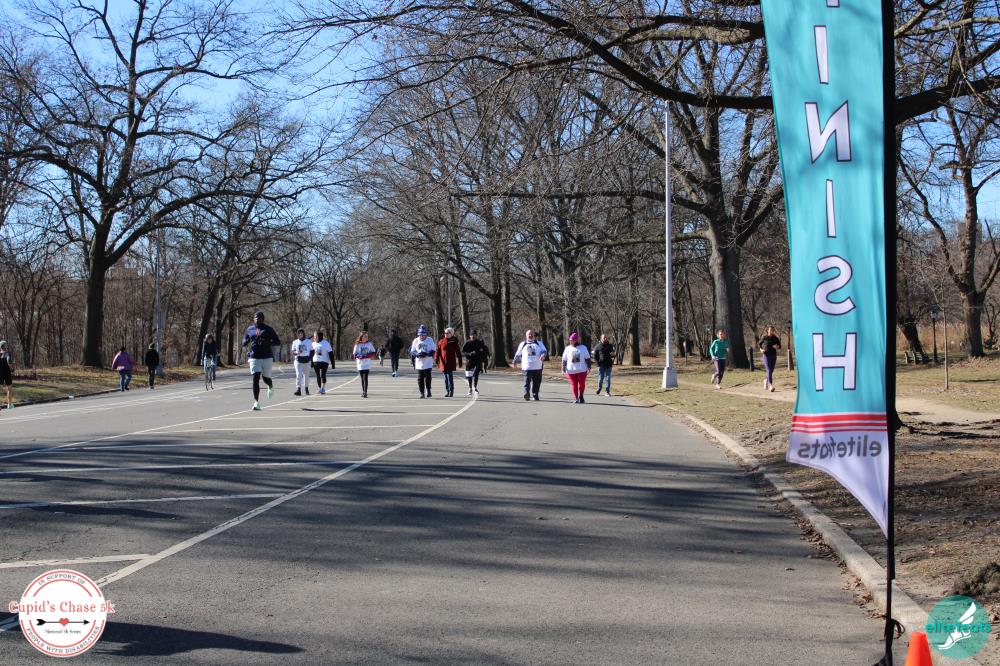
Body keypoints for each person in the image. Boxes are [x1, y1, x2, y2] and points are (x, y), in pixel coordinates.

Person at [242, 310, 281, 411]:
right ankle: (256, 402)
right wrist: (245, 342)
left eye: (259, 317)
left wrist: (267, 342)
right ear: (253, 319)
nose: (257, 319)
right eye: (255, 317)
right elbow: (244, 340)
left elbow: (277, 341)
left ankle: (270, 385)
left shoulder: (268, 329)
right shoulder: (250, 329)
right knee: (256, 378)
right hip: (254, 356)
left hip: (266, 356)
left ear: (263, 319)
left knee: (265, 378)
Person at [512, 329, 548, 401]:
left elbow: (544, 351)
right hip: (526, 367)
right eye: (529, 334)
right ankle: (526, 394)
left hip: (537, 367)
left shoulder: (539, 343)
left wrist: (543, 355)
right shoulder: (523, 344)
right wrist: (515, 362)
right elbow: (518, 353)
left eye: (532, 334)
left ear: (534, 335)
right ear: (526, 336)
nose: (530, 335)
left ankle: (535, 395)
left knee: (536, 383)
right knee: (526, 382)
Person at [561, 332, 592, 404]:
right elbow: (564, 359)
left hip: (582, 369)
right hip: (571, 370)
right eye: (570, 340)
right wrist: (563, 368)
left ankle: (581, 396)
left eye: (572, 340)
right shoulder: (567, 348)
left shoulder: (583, 348)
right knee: (574, 384)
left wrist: (589, 367)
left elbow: (587, 358)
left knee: (581, 384)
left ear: (576, 340)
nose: (570, 341)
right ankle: (576, 398)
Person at [410, 325, 436, 398]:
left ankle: (428, 390)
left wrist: (427, 354)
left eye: (423, 335)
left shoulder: (429, 340)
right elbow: (412, 351)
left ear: (426, 334)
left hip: (428, 362)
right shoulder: (416, 340)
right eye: (420, 335)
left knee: (428, 377)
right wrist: (417, 354)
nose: (422, 336)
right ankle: (422, 393)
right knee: (420, 378)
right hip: (419, 363)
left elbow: (433, 350)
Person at [461, 330, 490, 395]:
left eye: (474, 335)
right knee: (469, 375)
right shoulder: (467, 343)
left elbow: (484, 351)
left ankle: (475, 387)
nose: (473, 336)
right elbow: (463, 352)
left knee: (476, 374)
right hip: (470, 361)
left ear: (476, 336)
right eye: (472, 335)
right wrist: (469, 354)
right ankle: (470, 388)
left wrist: (484, 357)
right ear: (470, 336)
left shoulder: (479, 343)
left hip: (478, 360)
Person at [435, 327, 462, 397]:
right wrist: (436, 358)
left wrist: (460, 361)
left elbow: (458, 352)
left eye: (447, 333)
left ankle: (451, 390)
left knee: (449, 376)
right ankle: (447, 390)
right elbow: (438, 351)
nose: (446, 334)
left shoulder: (454, 341)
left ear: (451, 334)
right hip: (443, 362)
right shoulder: (441, 341)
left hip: (450, 362)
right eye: (445, 333)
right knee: (445, 377)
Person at [353, 331, 378, 398]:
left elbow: (373, 352)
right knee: (362, 378)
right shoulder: (357, 344)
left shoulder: (369, 344)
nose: (366, 338)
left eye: (367, 336)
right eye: (365, 336)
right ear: (361, 337)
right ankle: (363, 391)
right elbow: (354, 353)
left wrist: (368, 355)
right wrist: (359, 356)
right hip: (360, 363)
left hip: (367, 363)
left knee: (365, 377)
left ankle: (365, 392)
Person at [758, 325, 782, 392]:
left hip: (773, 355)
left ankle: (766, 380)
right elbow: (759, 344)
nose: (772, 331)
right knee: (769, 370)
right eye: (770, 330)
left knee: (771, 371)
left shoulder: (775, 338)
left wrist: (777, 347)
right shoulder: (764, 337)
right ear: (768, 330)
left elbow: (780, 346)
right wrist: (761, 349)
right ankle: (770, 385)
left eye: (773, 330)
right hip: (766, 355)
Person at [311, 330, 334, 395]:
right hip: (316, 361)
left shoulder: (326, 343)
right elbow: (311, 354)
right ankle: (320, 388)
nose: (314, 338)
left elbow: (331, 353)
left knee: (323, 375)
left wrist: (333, 364)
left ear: (319, 336)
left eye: (316, 336)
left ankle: (323, 388)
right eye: (314, 336)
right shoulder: (313, 344)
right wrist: (311, 362)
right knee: (318, 375)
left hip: (324, 361)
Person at [291, 328, 312, 396]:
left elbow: (312, 351)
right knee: (298, 374)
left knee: (306, 375)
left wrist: (309, 358)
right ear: (297, 334)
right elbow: (293, 351)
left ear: (303, 334)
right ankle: (298, 389)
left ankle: (306, 389)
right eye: (299, 333)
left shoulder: (308, 341)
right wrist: (296, 353)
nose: (300, 334)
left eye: (301, 333)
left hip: (306, 361)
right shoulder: (295, 342)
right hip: (298, 361)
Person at [0, 340, 14, 409]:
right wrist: (12, 368)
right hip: (7, 373)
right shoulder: (8, 354)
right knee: (9, 389)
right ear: (5, 346)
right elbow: (9, 361)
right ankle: (9, 404)